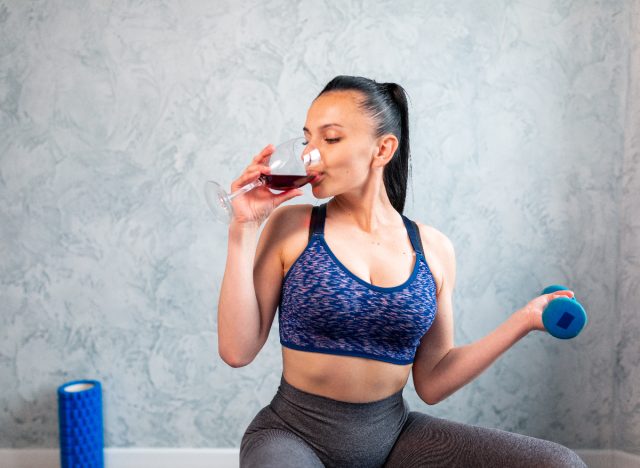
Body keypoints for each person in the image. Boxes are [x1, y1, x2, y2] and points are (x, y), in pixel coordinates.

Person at [217, 75, 587, 468]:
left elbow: (433, 379)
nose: (311, 154)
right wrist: (244, 228)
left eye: (331, 139)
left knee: (559, 465)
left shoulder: (433, 249)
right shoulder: (293, 226)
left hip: (393, 438)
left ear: (383, 148)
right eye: (308, 139)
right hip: (293, 436)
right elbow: (237, 350)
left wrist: (525, 319)